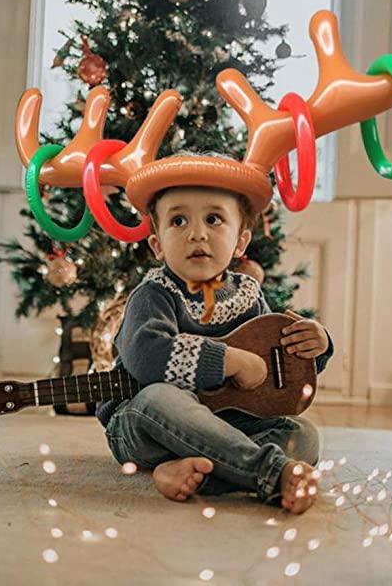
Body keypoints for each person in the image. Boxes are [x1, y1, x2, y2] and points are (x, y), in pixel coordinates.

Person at [95, 175, 334, 514]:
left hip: (225, 426)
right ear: (157, 245)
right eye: (178, 221)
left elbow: (276, 360)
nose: (197, 233)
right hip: (145, 426)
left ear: (240, 241)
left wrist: (317, 345)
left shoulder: (248, 296)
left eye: (213, 219)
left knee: (303, 436)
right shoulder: (153, 295)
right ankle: (269, 471)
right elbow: (147, 356)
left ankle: (188, 474)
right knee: (158, 396)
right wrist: (228, 360)